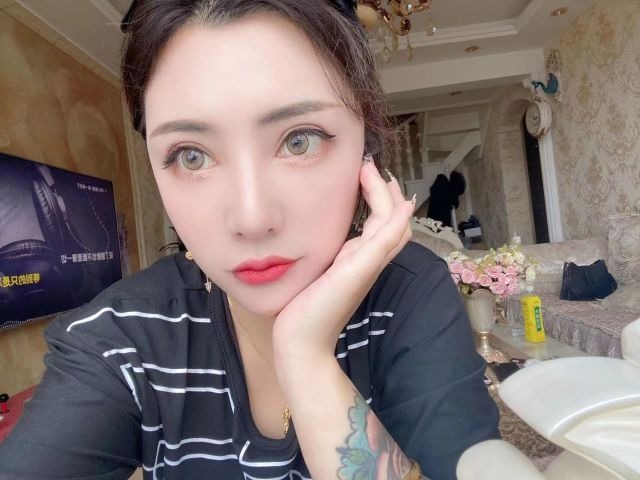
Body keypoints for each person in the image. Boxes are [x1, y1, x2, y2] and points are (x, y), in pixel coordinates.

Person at [0, 1, 499, 479]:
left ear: (364, 151)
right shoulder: (120, 338)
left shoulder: (410, 292)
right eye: (192, 156)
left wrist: (306, 357)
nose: (252, 218)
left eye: (299, 140)